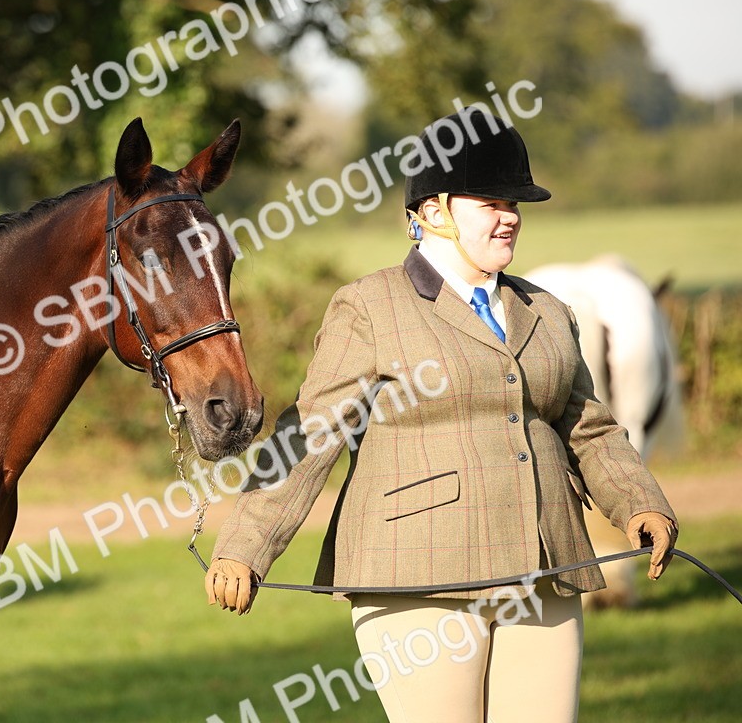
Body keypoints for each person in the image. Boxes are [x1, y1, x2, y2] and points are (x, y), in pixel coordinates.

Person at [204, 109, 677, 723]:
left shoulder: (548, 311)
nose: (510, 216)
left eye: (516, 203)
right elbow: (311, 433)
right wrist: (245, 547)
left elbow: (588, 425)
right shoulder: (370, 306)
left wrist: (640, 502)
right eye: (491, 201)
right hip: (416, 576)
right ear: (433, 211)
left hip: (545, 572)